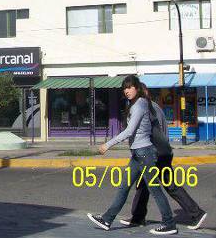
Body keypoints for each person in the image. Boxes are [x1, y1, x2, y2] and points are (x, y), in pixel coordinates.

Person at [87, 74, 177, 235]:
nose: (126, 91)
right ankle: (107, 219)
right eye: (124, 88)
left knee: (155, 189)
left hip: (145, 153)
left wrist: (108, 144)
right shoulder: (135, 104)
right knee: (123, 187)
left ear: (137, 88)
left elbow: (129, 131)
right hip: (137, 154)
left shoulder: (140, 104)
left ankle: (169, 223)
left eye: (129, 87)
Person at [120, 84, 207, 230]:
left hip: (155, 154)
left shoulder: (147, 108)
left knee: (169, 184)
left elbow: (152, 133)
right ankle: (138, 217)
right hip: (156, 152)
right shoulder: (151, 107)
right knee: (143, 185)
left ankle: (196, 213)